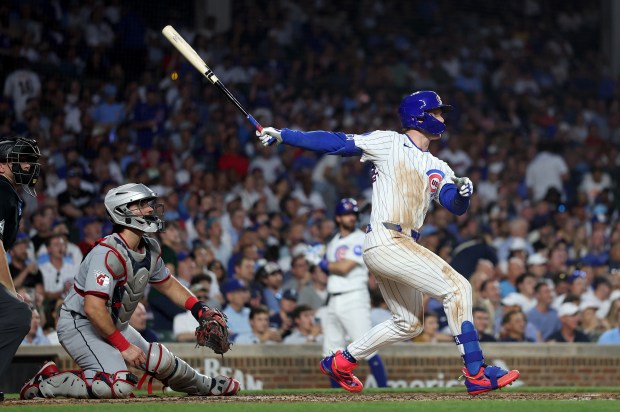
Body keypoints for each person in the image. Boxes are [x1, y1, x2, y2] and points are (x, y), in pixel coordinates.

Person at [257, 90, 520, 395]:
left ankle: (342, 361)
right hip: (387, 238)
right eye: (436, 112)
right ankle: (476, 373)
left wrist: (463, 194)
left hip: (395, 244)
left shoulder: (440, 165)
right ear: (418, 116)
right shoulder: (390, 142)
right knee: (459, 288)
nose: (442, 118)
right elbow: (337, 142)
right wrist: (284, 136)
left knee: (409, 323)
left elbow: (452, 204)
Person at [20, 183, 239, 400]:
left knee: (159, 360)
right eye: (141, 204)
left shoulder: (150, 247)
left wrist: (199, 309)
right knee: (116, 385)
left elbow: (168, 284)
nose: (150, 209)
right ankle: (48, 381)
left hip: (113, 323)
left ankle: (206, 385)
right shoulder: (106, 253)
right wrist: (124, 347)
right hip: (80, 324)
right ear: (122, 211)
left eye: (148, 204)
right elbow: (93, 309)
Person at [316, 198, 387, 388]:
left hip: (354, 297)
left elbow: (344, 267)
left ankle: (385, 393)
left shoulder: (359, 238)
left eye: (353, 214)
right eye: (347, 214)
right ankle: (337, 399)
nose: (351, 218)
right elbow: (329, 271)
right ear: (338, 218)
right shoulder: (334, 242)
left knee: (367, 346)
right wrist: (322, 264)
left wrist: (320, 262)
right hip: (333, 299)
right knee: (331, 353)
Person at [0, 136, 41, 401]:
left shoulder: (7, 192)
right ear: (1, 166)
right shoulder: (1, 190)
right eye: (20, 160)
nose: (27, 166)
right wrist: (9, 289)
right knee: (16, 313)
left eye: (29, 161)